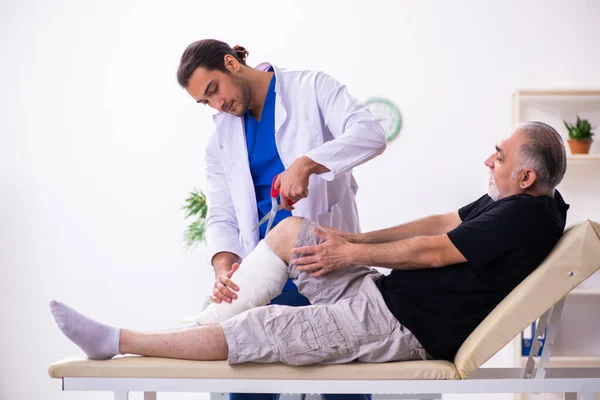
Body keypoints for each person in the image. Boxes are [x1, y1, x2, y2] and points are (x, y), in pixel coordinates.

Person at [51, 122, 569, 373]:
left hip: (399, 326)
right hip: (384, 297)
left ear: (525, 175)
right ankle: (201, 321)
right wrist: (348, 240)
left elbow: (433, 251)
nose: (488, 161)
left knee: (257, 327)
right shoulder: (520, 202)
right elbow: (440, 222)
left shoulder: (523, 217)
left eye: (498, 157)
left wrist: (349, 255)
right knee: (294, 231)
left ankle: (120, 340)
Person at [177, 39, 385, 400]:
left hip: (326, 271)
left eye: (214, 90)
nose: (217, 105)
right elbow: (222, 215)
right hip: (265, 280)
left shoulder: (312, 88)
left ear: (231, 63)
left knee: (345, 391)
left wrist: (307, 164)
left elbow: (370, 134)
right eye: (205, 102)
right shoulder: (219, 142)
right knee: (248, 393)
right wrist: (224, 268)